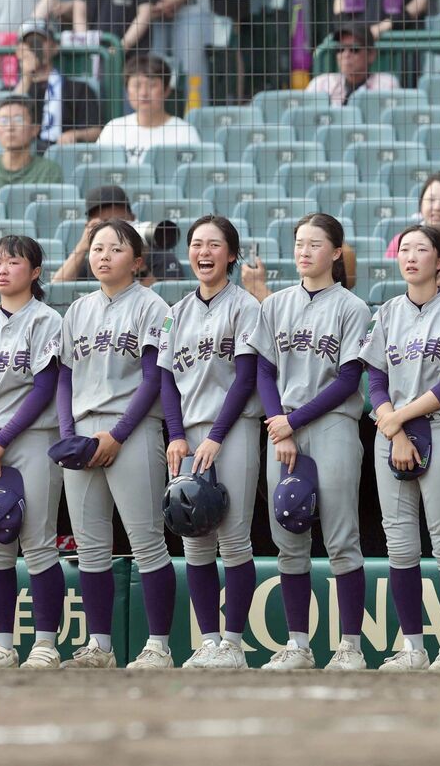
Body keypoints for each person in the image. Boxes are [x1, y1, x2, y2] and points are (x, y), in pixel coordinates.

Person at [250, 213, 372, 671]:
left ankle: (350, 648)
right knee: (288, 534)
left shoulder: (352, 307)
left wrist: (291, 422)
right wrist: (278, 420)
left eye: (315, 244)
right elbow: (263, 369)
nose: (304, 251)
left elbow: (348, 379)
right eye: (299, 243)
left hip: (332, 425)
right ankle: (297, 645)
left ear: (336, 252)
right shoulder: (275, 304)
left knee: (342, 538)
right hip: (283, 426)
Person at [56, 219, 177, 669]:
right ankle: (99, 647)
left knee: (147, 543)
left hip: (134, 431)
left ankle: (158, 646)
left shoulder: (152, 305)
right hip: (83, 433)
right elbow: (64, 380)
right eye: (97, 247)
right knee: (90, 547)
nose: (103, 255)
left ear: (138, 260)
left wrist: (118, 434)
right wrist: (69, 436)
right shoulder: (77, 311)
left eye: (115, 248)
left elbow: (154, 380)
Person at [360, 224, 440, 673]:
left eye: (421, 249)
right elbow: (374, 378)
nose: (410, 257)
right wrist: (394, 430)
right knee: (400, 545)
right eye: (404, 249)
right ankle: (413, 647)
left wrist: (397, 420)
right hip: (392, 433)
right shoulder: (388, 311)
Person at [159, 215, 262, 670]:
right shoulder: (176, 312)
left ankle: (234, 645)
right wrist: (177, 436)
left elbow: (245, 379)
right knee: (194, 540)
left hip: (233, 427)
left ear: (232, 255)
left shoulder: (244, 306)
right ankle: (208, 641)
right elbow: (165, 381)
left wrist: (216, 437)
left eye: (214, 245)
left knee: (235, 540)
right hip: (189, 433)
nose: (204, 252)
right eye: (197, 244)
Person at [0, 236, 65, 669]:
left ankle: (45, 643)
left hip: (31, 439)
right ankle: (2, 645)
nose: (3, 268)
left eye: (13, 261)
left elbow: (44, 390)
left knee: (39, 544)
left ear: (35, 271)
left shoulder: (46, 320)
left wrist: (2, 439)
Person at [51, 183, 183, 283]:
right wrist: (82, 247)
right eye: (105, 222)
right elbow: (57, 291)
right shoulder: (93, 261)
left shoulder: (161, 258)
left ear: (133, 218)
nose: (115, 228)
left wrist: (141, 266)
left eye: (120, 221)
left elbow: (170, 306)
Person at [12, 19, 104, 150]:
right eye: (29, 43)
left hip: (63, 155)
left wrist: (76, 134)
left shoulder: (78, 89)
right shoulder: (13, 90)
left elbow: (97, 131)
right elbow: (10, 115)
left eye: (40, 41)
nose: (35, 48)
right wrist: (27, 75)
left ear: (54, 47)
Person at [98, 53, 200, 164]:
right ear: (127, 91)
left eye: (152, 85)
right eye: (137, 85)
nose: (143, 93)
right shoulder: (113, 129)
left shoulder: (184, 133)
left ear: (167, 90)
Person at [0, 96, 63, 201]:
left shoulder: (49, 171)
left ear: (34, 129)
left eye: (18, 120)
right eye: (3, 120)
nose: (10, 127)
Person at [306, 23, 399, 106]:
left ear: (371, 54)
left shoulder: (386, 84)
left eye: (354, 49)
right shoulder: (321, 83)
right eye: (340, 49)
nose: (346, 55)